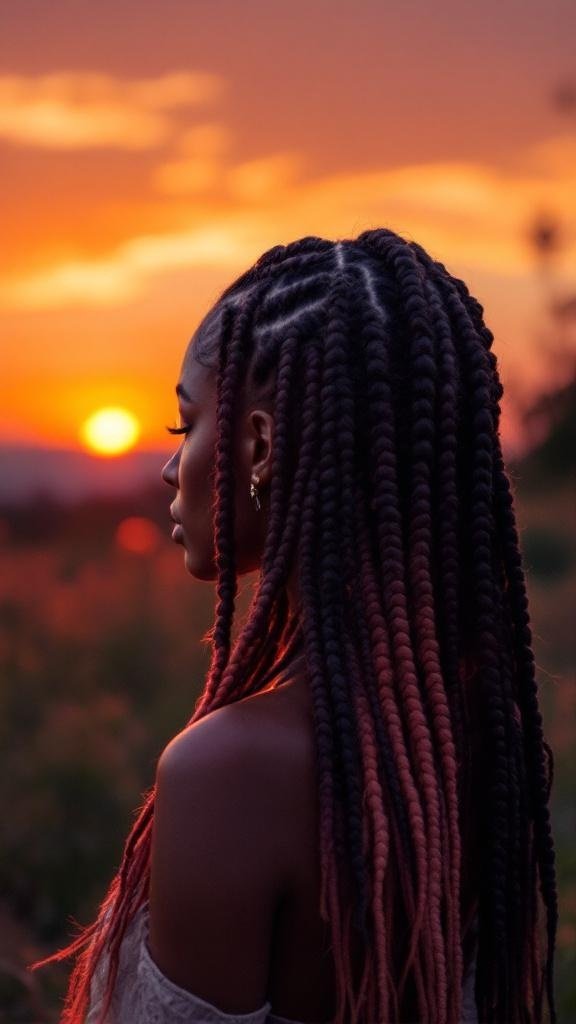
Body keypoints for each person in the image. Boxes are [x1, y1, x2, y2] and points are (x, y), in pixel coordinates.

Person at [33, 229, 558, 1023]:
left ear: (259, 445)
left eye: (184, 424)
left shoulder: (228, 771)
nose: (171, 468)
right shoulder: (477, 738)